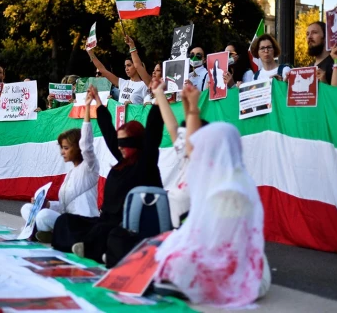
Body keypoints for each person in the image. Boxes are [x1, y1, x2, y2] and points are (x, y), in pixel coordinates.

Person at [155, 121, 271, 307]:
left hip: (242, 270)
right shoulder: (209, 178)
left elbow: (223, 248)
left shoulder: (233, 188)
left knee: (179, 261)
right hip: (215, 256)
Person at [51, 86, 164, 263]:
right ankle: (90, 248)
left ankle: (95, 250)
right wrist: (98, 103)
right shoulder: (122, 160)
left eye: (124, 142)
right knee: (65, 221)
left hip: (126, 226)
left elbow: (154, 131)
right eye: (119, 143)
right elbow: (109, 135)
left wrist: (158, 99)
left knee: (109, 235)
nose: (119, 147)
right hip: (104, 220)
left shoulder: (145, 162)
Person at [20, 88, 100, 243]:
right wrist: (47, 204)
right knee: (27, 209)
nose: (62, 152)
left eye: (66, 148)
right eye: (61, 148)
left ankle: (50, 233)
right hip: (67, 219)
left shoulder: (90, 166)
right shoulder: (71, 173)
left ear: (77, 147)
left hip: (84, 223)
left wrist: (88, 109)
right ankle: (50, 234)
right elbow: (64, 207)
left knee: (43, 216)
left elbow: (87, 144)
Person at [151, 80, 206, 228]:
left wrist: (193, 107)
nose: (182, 141)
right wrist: (159, 94)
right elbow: (173, 127)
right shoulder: (186, 158)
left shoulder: (208, 171)